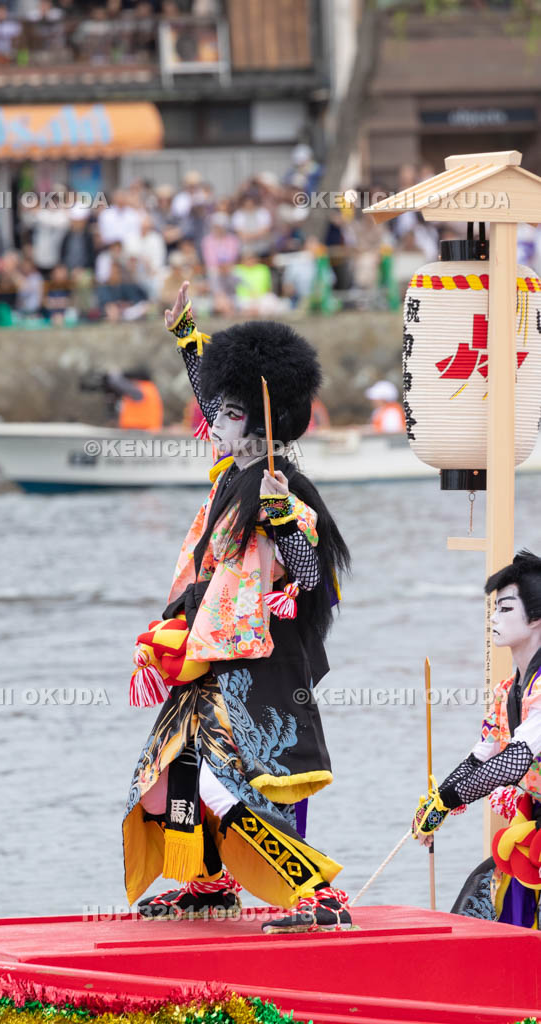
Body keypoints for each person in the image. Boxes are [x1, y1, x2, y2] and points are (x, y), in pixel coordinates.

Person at [122, 280, 352, 933]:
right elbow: (218, 397)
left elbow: (308, 576)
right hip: (210, 659)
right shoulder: (232, 472)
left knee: (248, 783)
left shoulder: (281, 489)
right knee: (173, 773)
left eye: (223, 417)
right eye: (214, 413)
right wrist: (190, 339)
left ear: (255, 423)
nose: (208, 424)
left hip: (263, 666)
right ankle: (208, 883)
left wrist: (281, 516)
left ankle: (316, 894)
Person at [412, 551, 541, 928]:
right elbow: (482, 757)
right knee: (480, 895)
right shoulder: (507, 690)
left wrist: (449, 800)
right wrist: (437, 804)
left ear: (536, 617)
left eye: (504, 609)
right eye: (493, 609)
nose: (492, 619)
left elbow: (515, 760)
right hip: (532, 826)